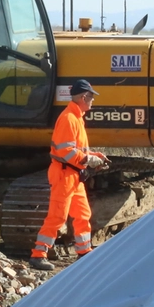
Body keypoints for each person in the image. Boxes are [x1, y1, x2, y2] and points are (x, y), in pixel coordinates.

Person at [30, 79, 108, 270]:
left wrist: (93, 155)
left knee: (83, 214)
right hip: (65, 175)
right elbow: (66, 153)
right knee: (57, 217)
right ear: (83, 97)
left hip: (74, 176)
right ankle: (38, 255)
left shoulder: (76, 117)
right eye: (91, 97)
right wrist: (88, 160)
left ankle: (83, 252)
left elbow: (74, 149)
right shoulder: (69, 119)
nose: (92, 101)